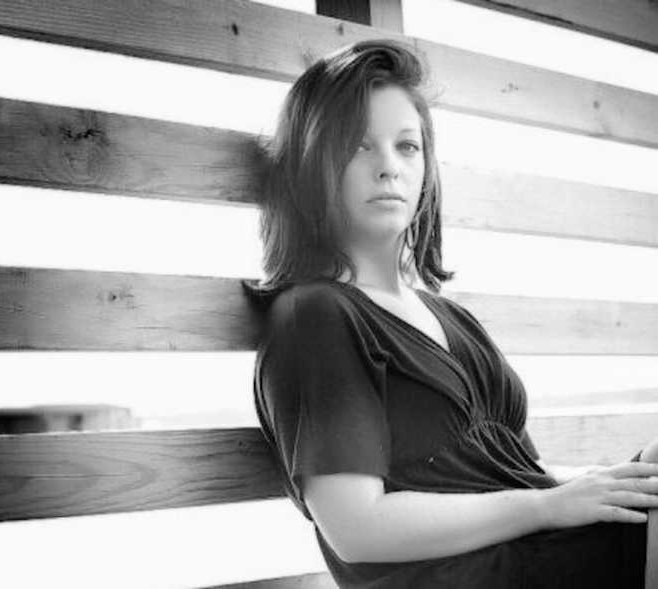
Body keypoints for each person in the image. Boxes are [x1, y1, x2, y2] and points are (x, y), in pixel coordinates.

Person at [239, 38, 658, 588]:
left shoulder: (452, 319)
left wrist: (591, 483)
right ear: (314, 161)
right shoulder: (314, 317)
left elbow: (516, 476)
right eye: (359, 146)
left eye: (406, 146)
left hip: (539, 551)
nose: (388, 166)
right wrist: (550, 507)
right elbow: (357, 528)